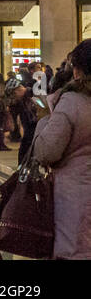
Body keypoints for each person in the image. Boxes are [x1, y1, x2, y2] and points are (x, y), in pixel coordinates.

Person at [30, 38, 91, 259]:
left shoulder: (71, 103)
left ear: (77, 71)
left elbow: (46, 152)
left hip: (75, 205)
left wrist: (44, 120)